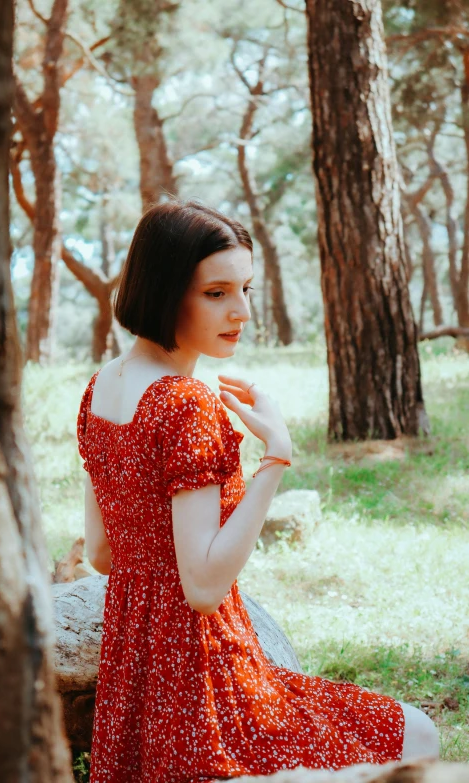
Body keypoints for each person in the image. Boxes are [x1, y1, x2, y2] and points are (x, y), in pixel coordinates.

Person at [76, 200, 439, 783]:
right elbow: (202, 586)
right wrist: (275, 456)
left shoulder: (99, 392)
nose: (241, 311)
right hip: (203, 680)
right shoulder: (185, 405)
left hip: (138, 681)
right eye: (216, 293)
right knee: (418, 733)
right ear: (166, 289)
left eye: (245, 288)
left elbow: (101, 552)